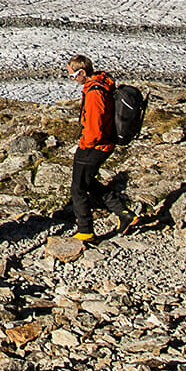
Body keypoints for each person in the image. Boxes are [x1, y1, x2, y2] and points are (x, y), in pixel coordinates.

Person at [66, 55, 116, 241]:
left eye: (73, 76)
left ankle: (85, 230)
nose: (73, 80)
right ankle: (124, 213)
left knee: (78, 188)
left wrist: (83, 145)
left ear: (83, 72)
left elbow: (94, 129)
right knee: (87, 181)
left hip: (94, 146)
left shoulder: (94, 93)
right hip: (103, 144)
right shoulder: (100, 85)